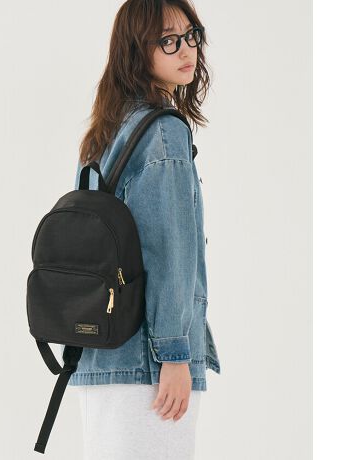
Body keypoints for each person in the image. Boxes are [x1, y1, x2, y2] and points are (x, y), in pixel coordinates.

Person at [61, 1, 221, 458]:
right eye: (167, 40)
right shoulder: (163, 133)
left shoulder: (105, 129)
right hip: (148, 369)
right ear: (136, 50)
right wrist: (174, 355)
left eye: (191, 35)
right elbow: (169, 250)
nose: (185, 50)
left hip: (97, 351)